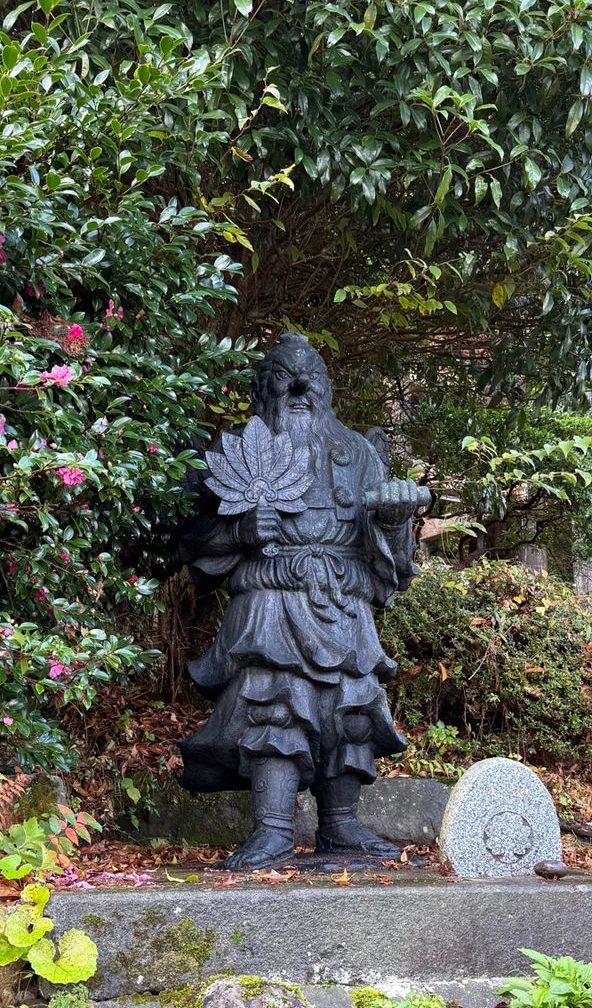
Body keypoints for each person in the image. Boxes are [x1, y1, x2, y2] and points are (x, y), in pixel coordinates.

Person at [179, 333, 430, 868]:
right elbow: (195, 545)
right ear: (259, 390)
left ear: (327, 389)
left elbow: (388, 561)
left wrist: (394, 519)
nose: (296, 386)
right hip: (270, 600)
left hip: (342, 602)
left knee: (352, 707)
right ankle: (271, 827)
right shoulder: (234, 454)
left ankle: (340, 824)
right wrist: (240, 530)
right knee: (274, 703)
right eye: (280, 375)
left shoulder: (359, 453)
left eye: (308, 376)